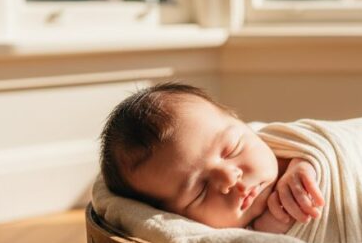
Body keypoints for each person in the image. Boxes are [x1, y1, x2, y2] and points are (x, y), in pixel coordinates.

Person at [99, 82, 324, 234]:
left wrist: (307, 162)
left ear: (241, 123)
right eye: (200, 191)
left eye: (232, 149)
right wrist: (268, 229)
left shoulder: (286, 143)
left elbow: (336, 142)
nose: (229, 179)